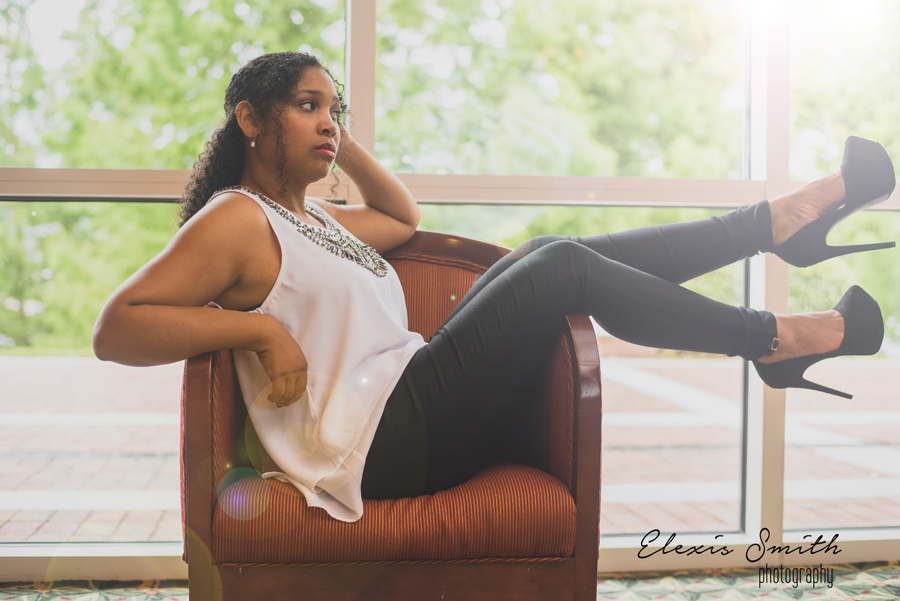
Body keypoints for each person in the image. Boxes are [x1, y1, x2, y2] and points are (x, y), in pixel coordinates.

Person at [92, 52, 896, 523]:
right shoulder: (237, 218)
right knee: (558, 265)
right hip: (381, 443)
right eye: (308, 108)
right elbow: (117, 326)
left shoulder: (315, 219)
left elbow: (400, 217)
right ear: (249, 119)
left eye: (335, 109)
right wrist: (260, 331)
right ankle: (774, 335)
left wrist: (340, 135)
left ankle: (771, 225)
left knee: (547, 250)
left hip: (413, 398)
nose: (329, 123)